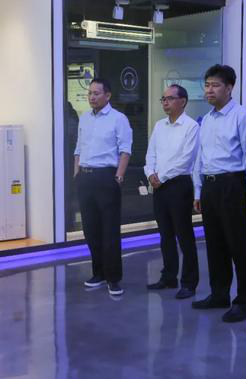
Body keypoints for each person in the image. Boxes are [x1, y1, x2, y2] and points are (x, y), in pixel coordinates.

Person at [191, 64, 246, 323]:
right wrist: (198, 191)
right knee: (215, 244)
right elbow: (200, 157)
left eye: (215, 85)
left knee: (239, 246)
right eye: (207, 85)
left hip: (233, 184)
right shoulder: (207, 119)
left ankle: (243, 301)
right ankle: (219, 294)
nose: (209, 90)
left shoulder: (242, 116)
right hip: (210, 185)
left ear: (229, 88)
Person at [74, 78, 132, 296]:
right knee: (90, 229)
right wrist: (76, 173)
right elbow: (78, 149)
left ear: (107, 95)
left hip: (107, 177)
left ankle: (113, 278)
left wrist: (118, 177)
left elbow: (125, 150)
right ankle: (98, 272)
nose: (92, 97)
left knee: (110, 231)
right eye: (89, 93)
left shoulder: (119, 119)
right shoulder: (84, 118)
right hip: (85, 177)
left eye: (96, 93)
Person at [145, 84, 200, 299]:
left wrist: (161, 177)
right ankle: (168, 276)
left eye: (169, 98)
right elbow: (151, 154)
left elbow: (186, 159)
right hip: (159, 186)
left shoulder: (191, 126)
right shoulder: (159, 125)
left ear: (182, 101)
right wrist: (150, 173)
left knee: (184, 235)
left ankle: (189, 282)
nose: (165, 102)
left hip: (179, 185)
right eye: (163, 99)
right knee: (165, 234)